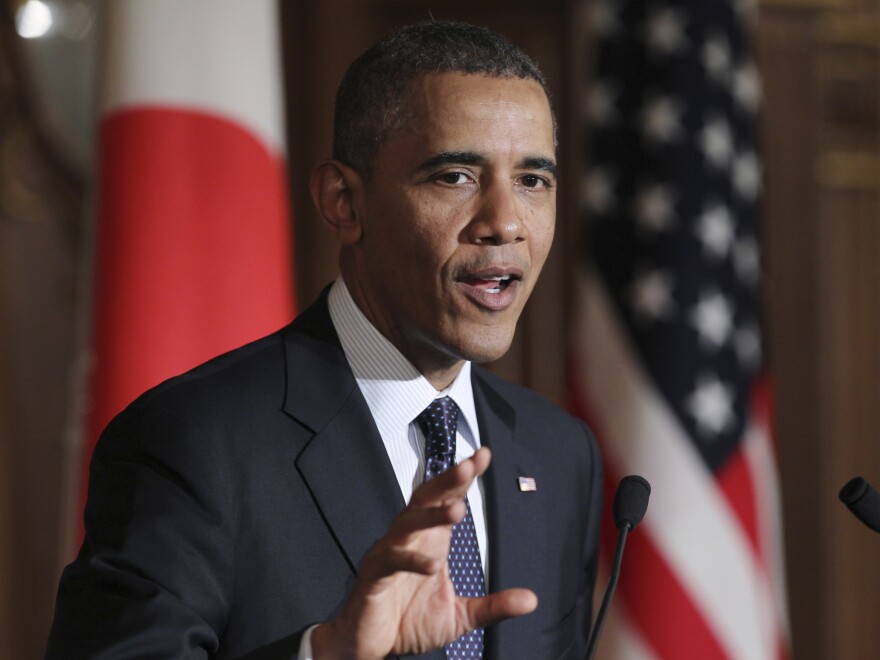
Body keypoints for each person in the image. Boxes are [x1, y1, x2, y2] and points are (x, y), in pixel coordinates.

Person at [47, 21, 603, 659]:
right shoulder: (194, 443)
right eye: (455, 176)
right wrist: (327, 652)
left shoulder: (560, 456)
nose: (505, 222)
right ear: (343, 202)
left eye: (534, 181)